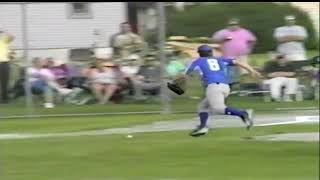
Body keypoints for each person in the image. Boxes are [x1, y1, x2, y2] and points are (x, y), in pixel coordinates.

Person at [181, 45, 261, 137]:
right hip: (225, 86)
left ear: (200, 53)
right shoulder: (219, 59)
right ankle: (203, 127)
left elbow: (186, 74)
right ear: (211, 52)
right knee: (202, 106)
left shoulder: (198, 61)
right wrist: (251, 70)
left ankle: (243, 113)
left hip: (214, 86)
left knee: (218, 108)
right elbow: (238, 62)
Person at [212, 18, 257, 82]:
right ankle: (231, 81)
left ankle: (244, 81)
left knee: (244, 70)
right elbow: (214, 41)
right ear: (228, 25)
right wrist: (223, 40)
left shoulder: (245, 32)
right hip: (228, 55)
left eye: (235, 24)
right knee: (230, 70)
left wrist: (249, 48)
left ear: (238, 25)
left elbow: (252, 40)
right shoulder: (222, 32)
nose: (233, 26)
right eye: (231, 24)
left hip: (242, 55)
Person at [0, 31, 14, 104]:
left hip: (4, 63)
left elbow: (12, 36)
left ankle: (4, 99)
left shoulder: (3, 40)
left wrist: (4, 31)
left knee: (4, 82)